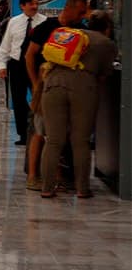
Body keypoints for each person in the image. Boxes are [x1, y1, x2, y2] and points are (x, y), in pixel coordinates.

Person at [40, 11, 117, 198]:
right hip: (83, 88)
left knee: (53, 140)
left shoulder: (75, 35)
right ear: (107, 28)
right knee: (80, 140)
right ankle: (82, 189)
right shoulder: (106, 44)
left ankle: (47, 188)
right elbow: (105, 72)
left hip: (54, 84)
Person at [23, 0, 87, 190]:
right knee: (39, 131)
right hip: (45, 86)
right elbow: (29, 55)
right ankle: (33, 175)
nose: (83, 15)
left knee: (59, 134)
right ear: (69, 8)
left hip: (68, 90)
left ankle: (58, 175)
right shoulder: (46, 27)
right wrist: (35, 83)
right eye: (81, 11)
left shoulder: (80, 31)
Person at [0, 0, 46, 146]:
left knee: (39, 98)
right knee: (18, 100)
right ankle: (23, 134)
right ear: (22, 6)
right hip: (17, 64)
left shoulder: (44, 22)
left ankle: (40, 131)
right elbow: (6, 44)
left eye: (36, 3)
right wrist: (2, 65)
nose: (34, 7)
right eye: (31, 4)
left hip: (36, 65)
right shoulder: (13, 22)